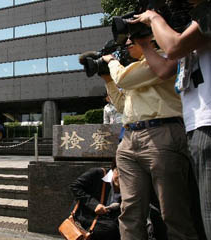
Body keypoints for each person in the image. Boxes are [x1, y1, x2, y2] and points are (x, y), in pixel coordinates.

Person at [100, 36, 198, 239]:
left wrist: (110, 61)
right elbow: (120, 105)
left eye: (130, 40)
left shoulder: (164, 58)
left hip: (161, 134)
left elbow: (123, 78)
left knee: (172, 210)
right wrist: (107, 79)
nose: (126, 45)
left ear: (149, 40)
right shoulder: (134, 70)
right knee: (130, 212)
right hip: (129, 138)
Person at [133, 2, 211, 237]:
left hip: (206, 123)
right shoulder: (190, 28)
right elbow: (166, 68)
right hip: (197, 126)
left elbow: (174, 47)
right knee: (203, 214)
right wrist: (146, 42)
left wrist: (154, 18)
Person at [69, 165, 121, 240]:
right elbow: (75, 186)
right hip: (86, 215)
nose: (121, 180)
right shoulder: (97, 173)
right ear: (114, 169)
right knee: (110, 229)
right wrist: (94, 204)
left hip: (107, 219)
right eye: (119, 175)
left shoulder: (130, 186)